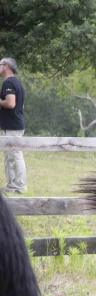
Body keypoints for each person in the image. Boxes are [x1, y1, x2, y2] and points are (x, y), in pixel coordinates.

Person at [0, 57, 26, 194]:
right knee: (11, 155)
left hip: (12, 126)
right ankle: (12, 185)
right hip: (16, 124)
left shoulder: (8, 83)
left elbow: (10, 103)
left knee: (15, 155)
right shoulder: (17, 83)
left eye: (0, 64)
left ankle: (19, 185)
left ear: (6, 66)